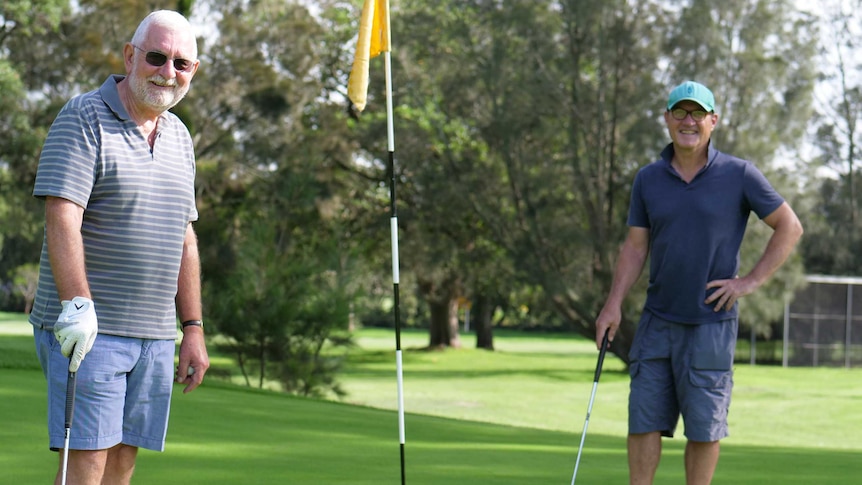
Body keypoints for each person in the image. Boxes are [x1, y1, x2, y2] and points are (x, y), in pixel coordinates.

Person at [29, 10, 210, 484]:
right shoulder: (83, 116)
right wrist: (77, 305)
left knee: (123, 461)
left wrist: (192, 327)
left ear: (194, 71)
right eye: (156, 57)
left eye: (181, 64)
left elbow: (184, 235)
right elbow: (62, 214)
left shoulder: (180, 136)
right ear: (131, 56)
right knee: (87, 461)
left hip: (152, 334)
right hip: (89, 329)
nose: (167, 72)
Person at [595, 81, 803, 485]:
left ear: (713, 120)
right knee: (643, 421)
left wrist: (748, 282)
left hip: (711, 323)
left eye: (696, 113)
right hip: (657, 321)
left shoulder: (739, 174)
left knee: (704, 429)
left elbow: (789, 226)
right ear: (667, 119)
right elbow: (636, 248)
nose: (688, 121)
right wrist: (612, 304)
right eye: (680, 113)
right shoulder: (648, 179)